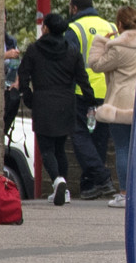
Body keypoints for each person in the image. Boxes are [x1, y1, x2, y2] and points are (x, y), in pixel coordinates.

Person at [17, 17, 95, 206]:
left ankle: (58, 181)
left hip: (43, 101)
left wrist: (28, 97)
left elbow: (23, 74)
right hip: (66, 102)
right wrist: (91, 101)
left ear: (46, 29)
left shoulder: (34, 50)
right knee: (60, 148)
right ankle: (64, 190)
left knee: (46, 149)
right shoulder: (72, 51)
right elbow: (83, 79)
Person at [65, 0, 121, 198]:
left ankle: (102, 177)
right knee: (99, 138)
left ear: (74, 8)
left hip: (83, 90)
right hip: (108, 90)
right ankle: (91, 186)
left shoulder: (74, 28)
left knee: (79, 135)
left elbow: (69, 63)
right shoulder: (112, 27)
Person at [92, 7, 136, 194]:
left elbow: (96, 64)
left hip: (120, 104)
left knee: (122, 148)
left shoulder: (118, 47)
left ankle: (124, 193)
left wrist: (102, 42)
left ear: (120, 24)